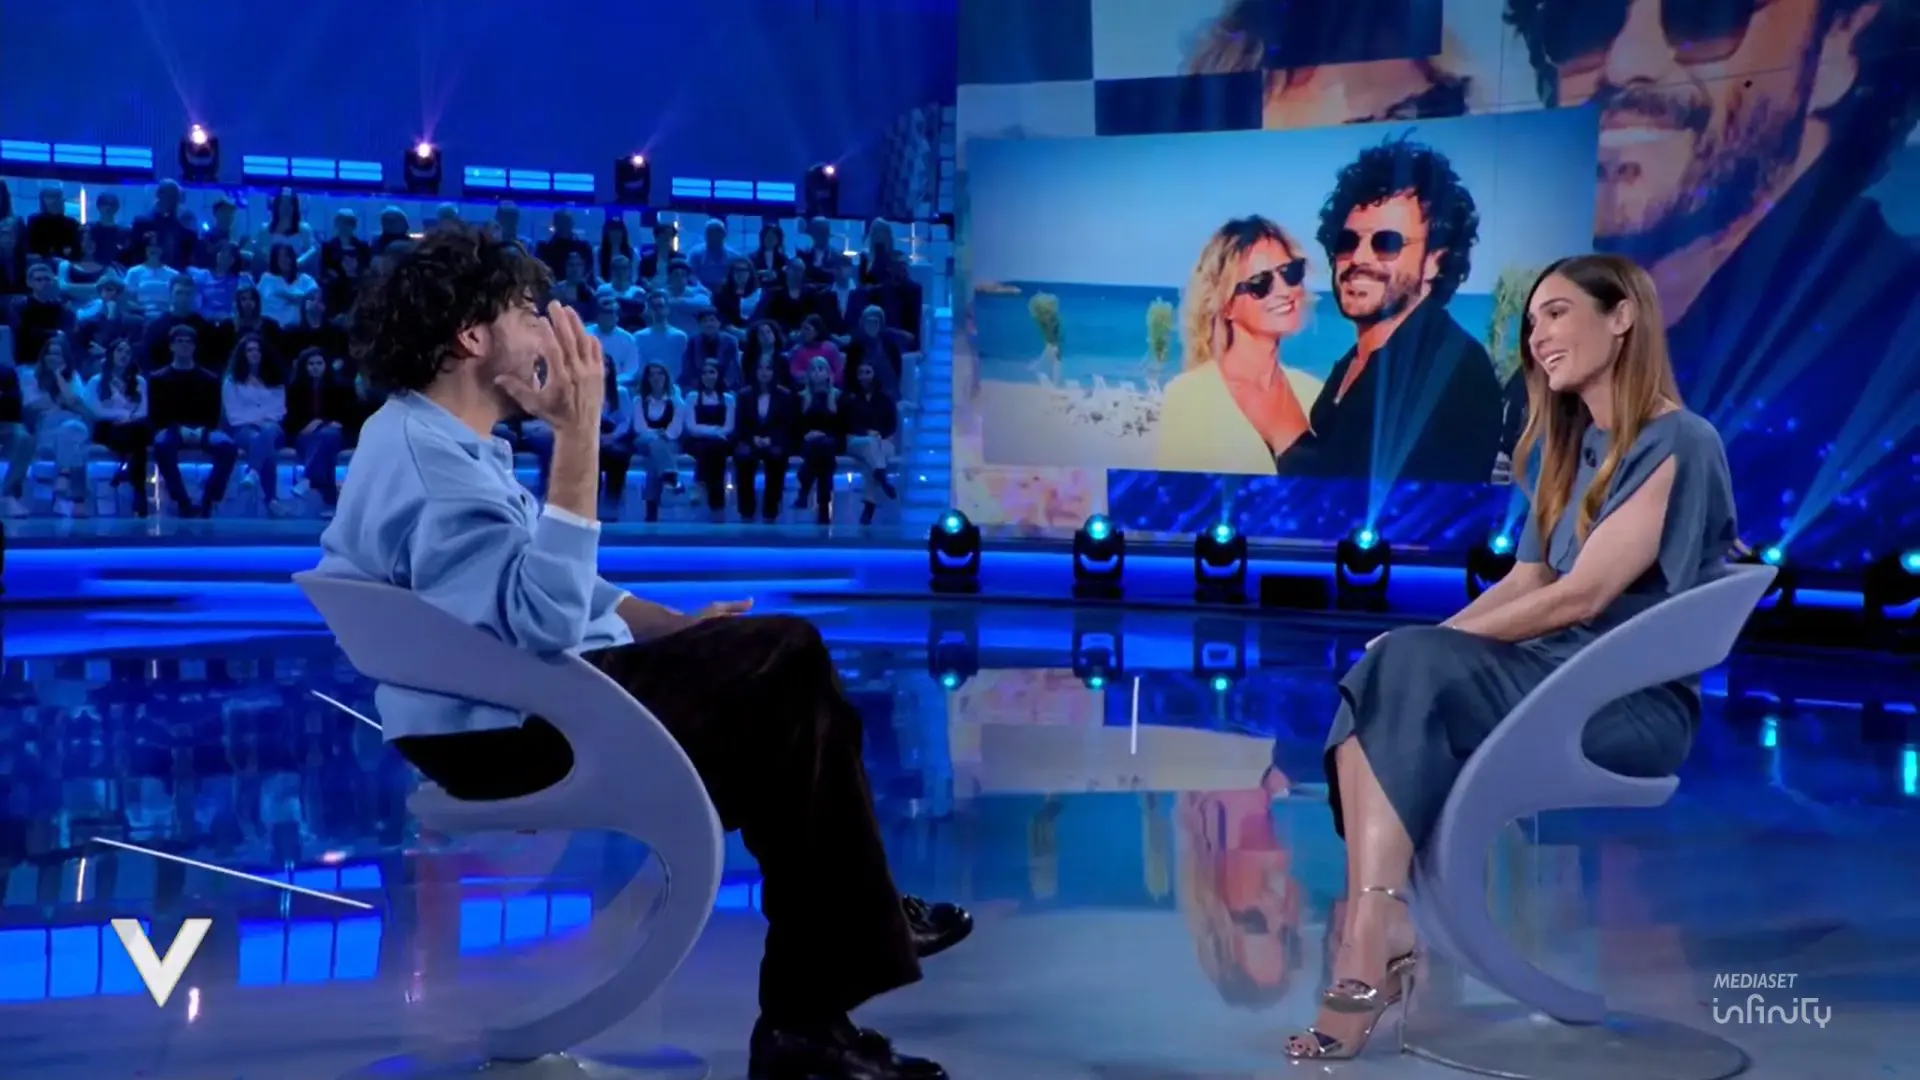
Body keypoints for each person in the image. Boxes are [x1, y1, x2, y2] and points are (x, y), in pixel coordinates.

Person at [312, 225, 969, 1080]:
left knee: (783, 703)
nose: (553, 329)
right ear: (471, 338)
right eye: (527, 312)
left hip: (505, 710)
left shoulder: (421, 440)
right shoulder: (439, 469)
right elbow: (545, 620)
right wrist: (578, 434)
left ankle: (829, 974)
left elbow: (550, 594)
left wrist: (675, 628)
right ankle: (830, 967)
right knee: (789, 660)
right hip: (513, 732)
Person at [1286, 254, 1737, 1060]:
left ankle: (1371, 937)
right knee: (1385, 669)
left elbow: (1582, 597)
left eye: (1557, 313)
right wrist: (1424, 643)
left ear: (1622, 317)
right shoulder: (1570, 443)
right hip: (1544, 681)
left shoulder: (1681, 441)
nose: (1538, 337)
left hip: (1619, 704)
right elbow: (1528, 579)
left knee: (1404, 668)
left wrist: (1433, 650)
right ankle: (1374, 922)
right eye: (1531, 324)